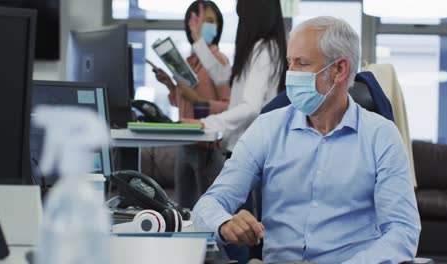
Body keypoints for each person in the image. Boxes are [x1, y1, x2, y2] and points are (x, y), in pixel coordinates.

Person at [193, 16, 421, 263]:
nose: (290, 75)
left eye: (301, 63)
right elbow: (208, 205)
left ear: (339, 69)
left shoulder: (382, 136)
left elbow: (402, 231)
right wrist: (225, 223)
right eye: (290, 63)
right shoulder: (268, 127)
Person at [150, 0, 231, 208]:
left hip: (207, 147)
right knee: (182, 209)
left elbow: (228, 107)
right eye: (201, 21)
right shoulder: (191, 61)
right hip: (185, 143)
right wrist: (171, 86)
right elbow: (184, 106)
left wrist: (197, 99)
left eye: (211, 21)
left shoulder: (219, 61)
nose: (206, 26)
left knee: (210, 210)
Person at [183, 0, 287, 156]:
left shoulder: (263, 50)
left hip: (250, 149)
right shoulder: (260, 48)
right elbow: (222, 77)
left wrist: (208, 123)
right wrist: (199, 42)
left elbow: (251, 107)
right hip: (245, 146)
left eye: (242, 16)